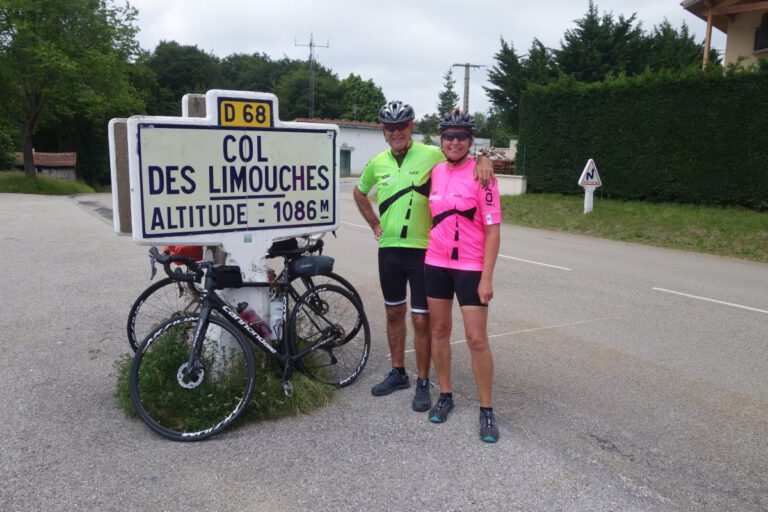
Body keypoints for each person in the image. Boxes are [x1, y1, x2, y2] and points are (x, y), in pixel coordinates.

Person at [353, 100, 493, 413]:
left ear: (411, 127)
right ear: (383, 131)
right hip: (389, 248)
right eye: (390, 127)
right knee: (393, 313)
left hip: (424, 251)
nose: (396, 132)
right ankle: (398, 372)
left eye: (401, 126)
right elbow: (359, 192)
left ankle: (424, 380)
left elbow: (461, 150)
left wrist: (483, 156)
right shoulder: (377, 162)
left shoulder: (431, 155)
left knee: (421, 320)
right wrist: (374, 222)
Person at [424, 109, 501, 443]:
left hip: (470, 266)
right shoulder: (435, 171)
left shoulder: (483, 176)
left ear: (470, 142)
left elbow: (494, 232)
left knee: (476, 339)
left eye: (461, 137)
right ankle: (445, 394)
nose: (454, 142)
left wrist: (487, 277)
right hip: (436, 262)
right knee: (439, 330)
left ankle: (486, 410)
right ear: (441, 140)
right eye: (448, 136)